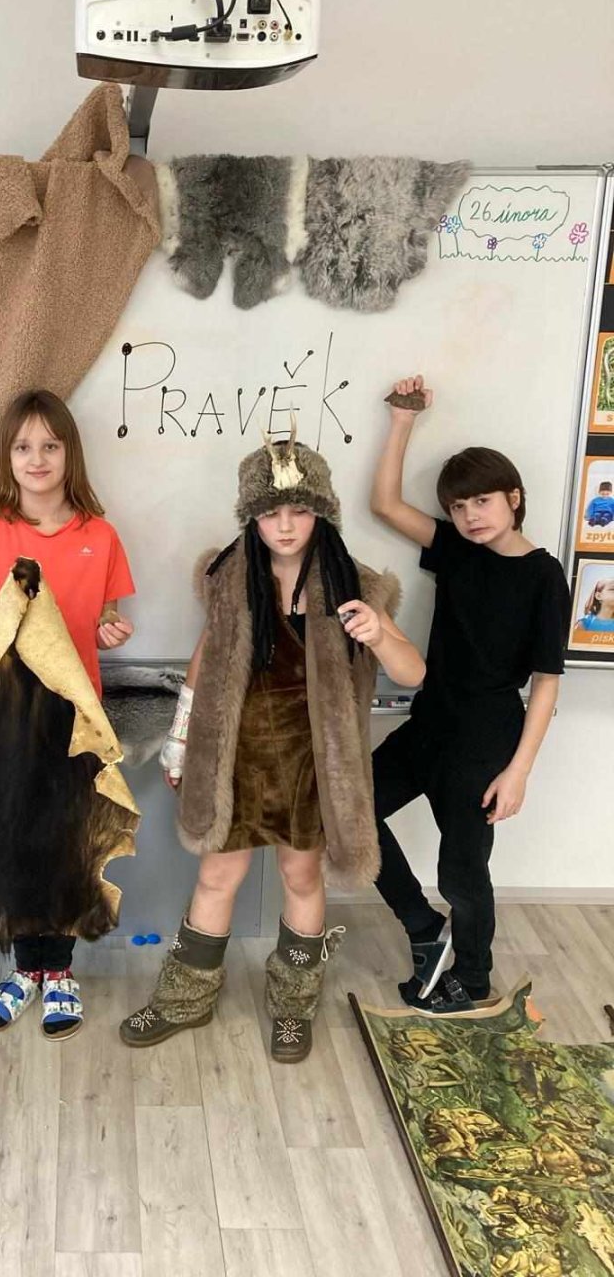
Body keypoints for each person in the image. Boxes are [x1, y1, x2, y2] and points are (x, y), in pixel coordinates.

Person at [119, 431, 425, 1062]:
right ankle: (185, 999)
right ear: (251, 517)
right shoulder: (230, 577)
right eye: (270, 512)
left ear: (322, 512)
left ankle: (292, 1004)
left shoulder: (355, 585)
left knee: (300, 875)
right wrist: (180, 739)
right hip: (237, 759)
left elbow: (414, 671)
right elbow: (206, 658)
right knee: (217, 874)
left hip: (313, 766)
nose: (285, 526)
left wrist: (378, 635)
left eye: (300, 510)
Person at [370, 374, 571, 1012]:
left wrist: (518, 772)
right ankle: (422, 925)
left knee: (461, 869)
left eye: (481, 502)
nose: (470, 516)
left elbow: (547, 683)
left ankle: (475, 978)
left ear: (514, 498)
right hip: (429, 722)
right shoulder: (456, 548)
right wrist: (403, 421)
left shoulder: (544, 576)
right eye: (458, 507)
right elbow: (385, 505)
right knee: (346, 813)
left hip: (486, 739)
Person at [0, 389, 134, 1040]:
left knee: (69, 843)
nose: (37, 458)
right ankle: (26, 968)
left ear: (69, 452)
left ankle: (61, 972)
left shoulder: (100, 535)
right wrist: (10, 626)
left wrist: (110, 630)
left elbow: (105, 619)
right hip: (1, 713)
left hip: (75, 715)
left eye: (50, 445)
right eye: (23, 446)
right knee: (16, 840)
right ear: (7, 455)